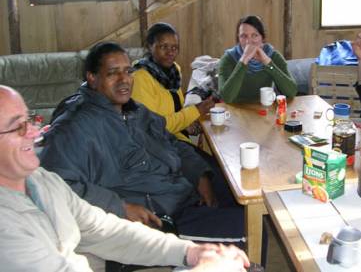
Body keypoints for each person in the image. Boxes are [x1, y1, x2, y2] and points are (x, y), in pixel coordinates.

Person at [0, 85, 249, 272]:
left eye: (30, 120)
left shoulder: (41, 181)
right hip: (164, 210)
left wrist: (191, 253)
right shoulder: (6, 228)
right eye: (18, 126)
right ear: (92, 79)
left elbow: (105, 230)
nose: (35, 133)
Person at [39, 41, 245, 247]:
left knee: (238, 197)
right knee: (246, 228)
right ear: (92, 78)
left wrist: (200, 176)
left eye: (127, 71)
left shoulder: (134, 111)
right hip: (159, 217)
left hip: (180, 191)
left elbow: (171, 141)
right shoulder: (74, 126)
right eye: (112, 73)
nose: (124, 80)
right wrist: (120, 207)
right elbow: (55, 184)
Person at [132, 22, 214, 143]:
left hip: (175, 137)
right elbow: (154, 127)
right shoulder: (140, 78)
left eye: (174, 48)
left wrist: (186, 126)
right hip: (158, 145)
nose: (170, 52)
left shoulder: (173, 70)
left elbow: (175, 110)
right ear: (150, 46)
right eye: (163, 47)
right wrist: (196, 111)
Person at [218, 15, 297, 103]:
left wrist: (268, 63)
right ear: (238, 38)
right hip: (236, 111)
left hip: (264, 110)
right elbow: (226, 97)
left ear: (262, 38)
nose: (249, 41)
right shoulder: (228, 58)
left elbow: (292, 92)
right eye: (244, 36)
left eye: (255, 35)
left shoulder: (273, 56)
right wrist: (243, 61)